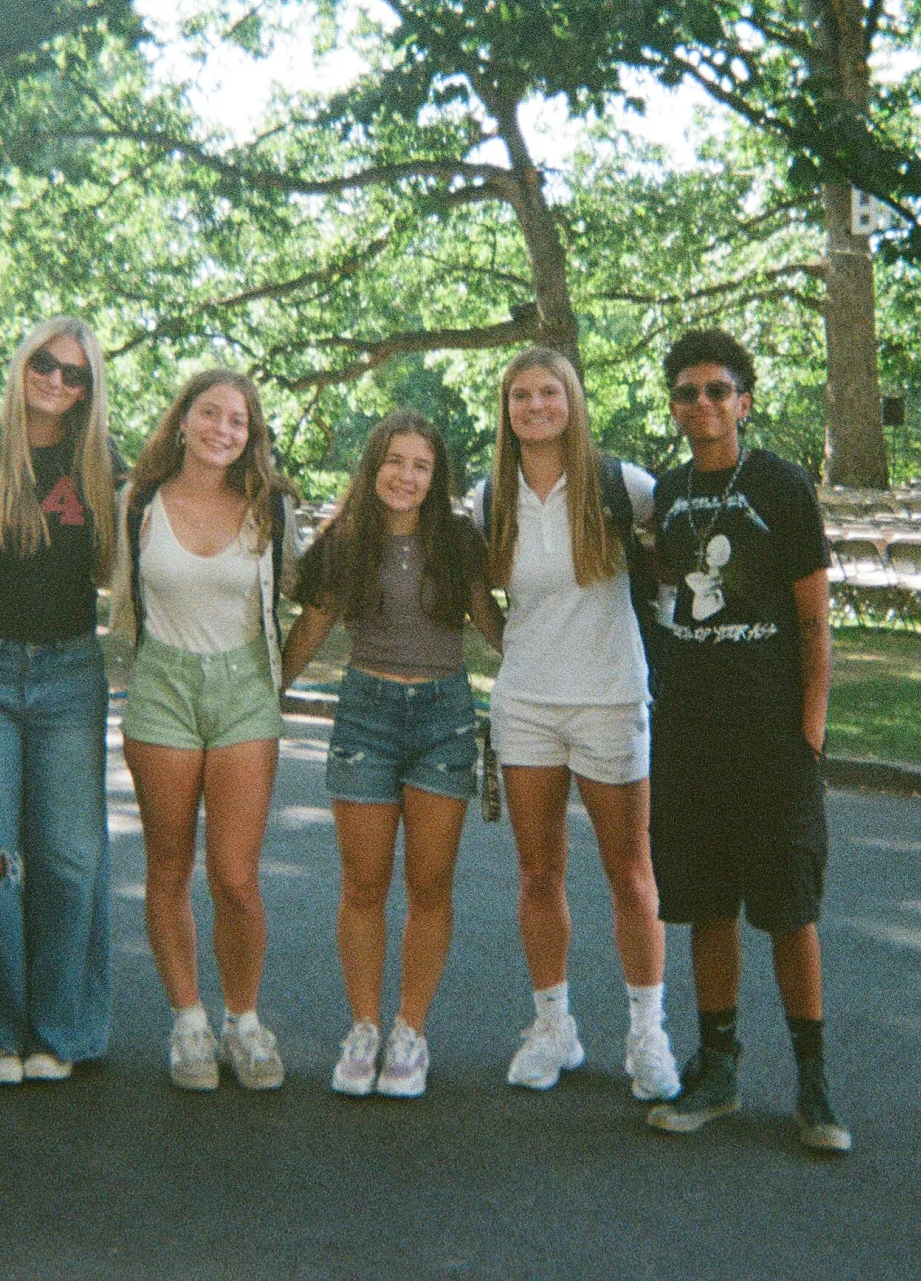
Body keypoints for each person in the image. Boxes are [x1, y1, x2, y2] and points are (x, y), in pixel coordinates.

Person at [640, 329, 849, 1154]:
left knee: (789, 910)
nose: (703, 405)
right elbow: (662, 593)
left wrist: (810, 729)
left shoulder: (781, 486)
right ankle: (719, 1066)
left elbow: (814, 617)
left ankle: (813, 1080)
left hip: (771, 737)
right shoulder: (669, 492)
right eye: (687, 392)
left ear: (744, 400)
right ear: (675, 406)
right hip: (690, 736)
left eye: (718, 390)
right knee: (704, 907)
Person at [470, 347, 679, 1103]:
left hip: (611, 699)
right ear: (507, 409)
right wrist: (510, 648)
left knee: (630, 875)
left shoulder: (622, 485)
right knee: (538, 875)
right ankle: (554, 1027)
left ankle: (647, 1033)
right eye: (520, 395)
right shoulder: (488, 494)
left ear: (572, 400)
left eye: (548, 392)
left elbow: (679, 554)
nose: (535, 406)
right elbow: (478, 589)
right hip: (525, 706)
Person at [279, 412, 503, 1099]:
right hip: (366, 716)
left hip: (443, 718)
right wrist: (260, 701)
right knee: (363, 884)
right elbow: (307, 633)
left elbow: (494, 628)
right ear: (373, 464)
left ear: (437, 478)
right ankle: (365, 1027)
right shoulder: (346, 543)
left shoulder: (459, 542)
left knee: (430, 885)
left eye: (421, 465)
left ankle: (411, 1030)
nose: (406, 476)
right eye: (395, 461)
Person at [0, 319, 122, 1085]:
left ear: (89, 389)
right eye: (44, 364)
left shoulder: (99, 461)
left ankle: (61, 1029)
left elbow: (205, 481)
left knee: (72, 859)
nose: (55, 381)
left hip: (70, 674)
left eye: (74, 374)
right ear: (21, 364)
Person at [111, 369, 299, 1092]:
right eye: (211, 413)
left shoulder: (266, 509)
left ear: (251, 436)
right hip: (162, 687)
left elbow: (301, 594)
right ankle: (188, 1018)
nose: (224, 429)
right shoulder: (139, 502)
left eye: (239, 421)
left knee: (236, 878)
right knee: (168, 867)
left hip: (244, 690)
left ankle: (243, 1021)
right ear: (183, 419)